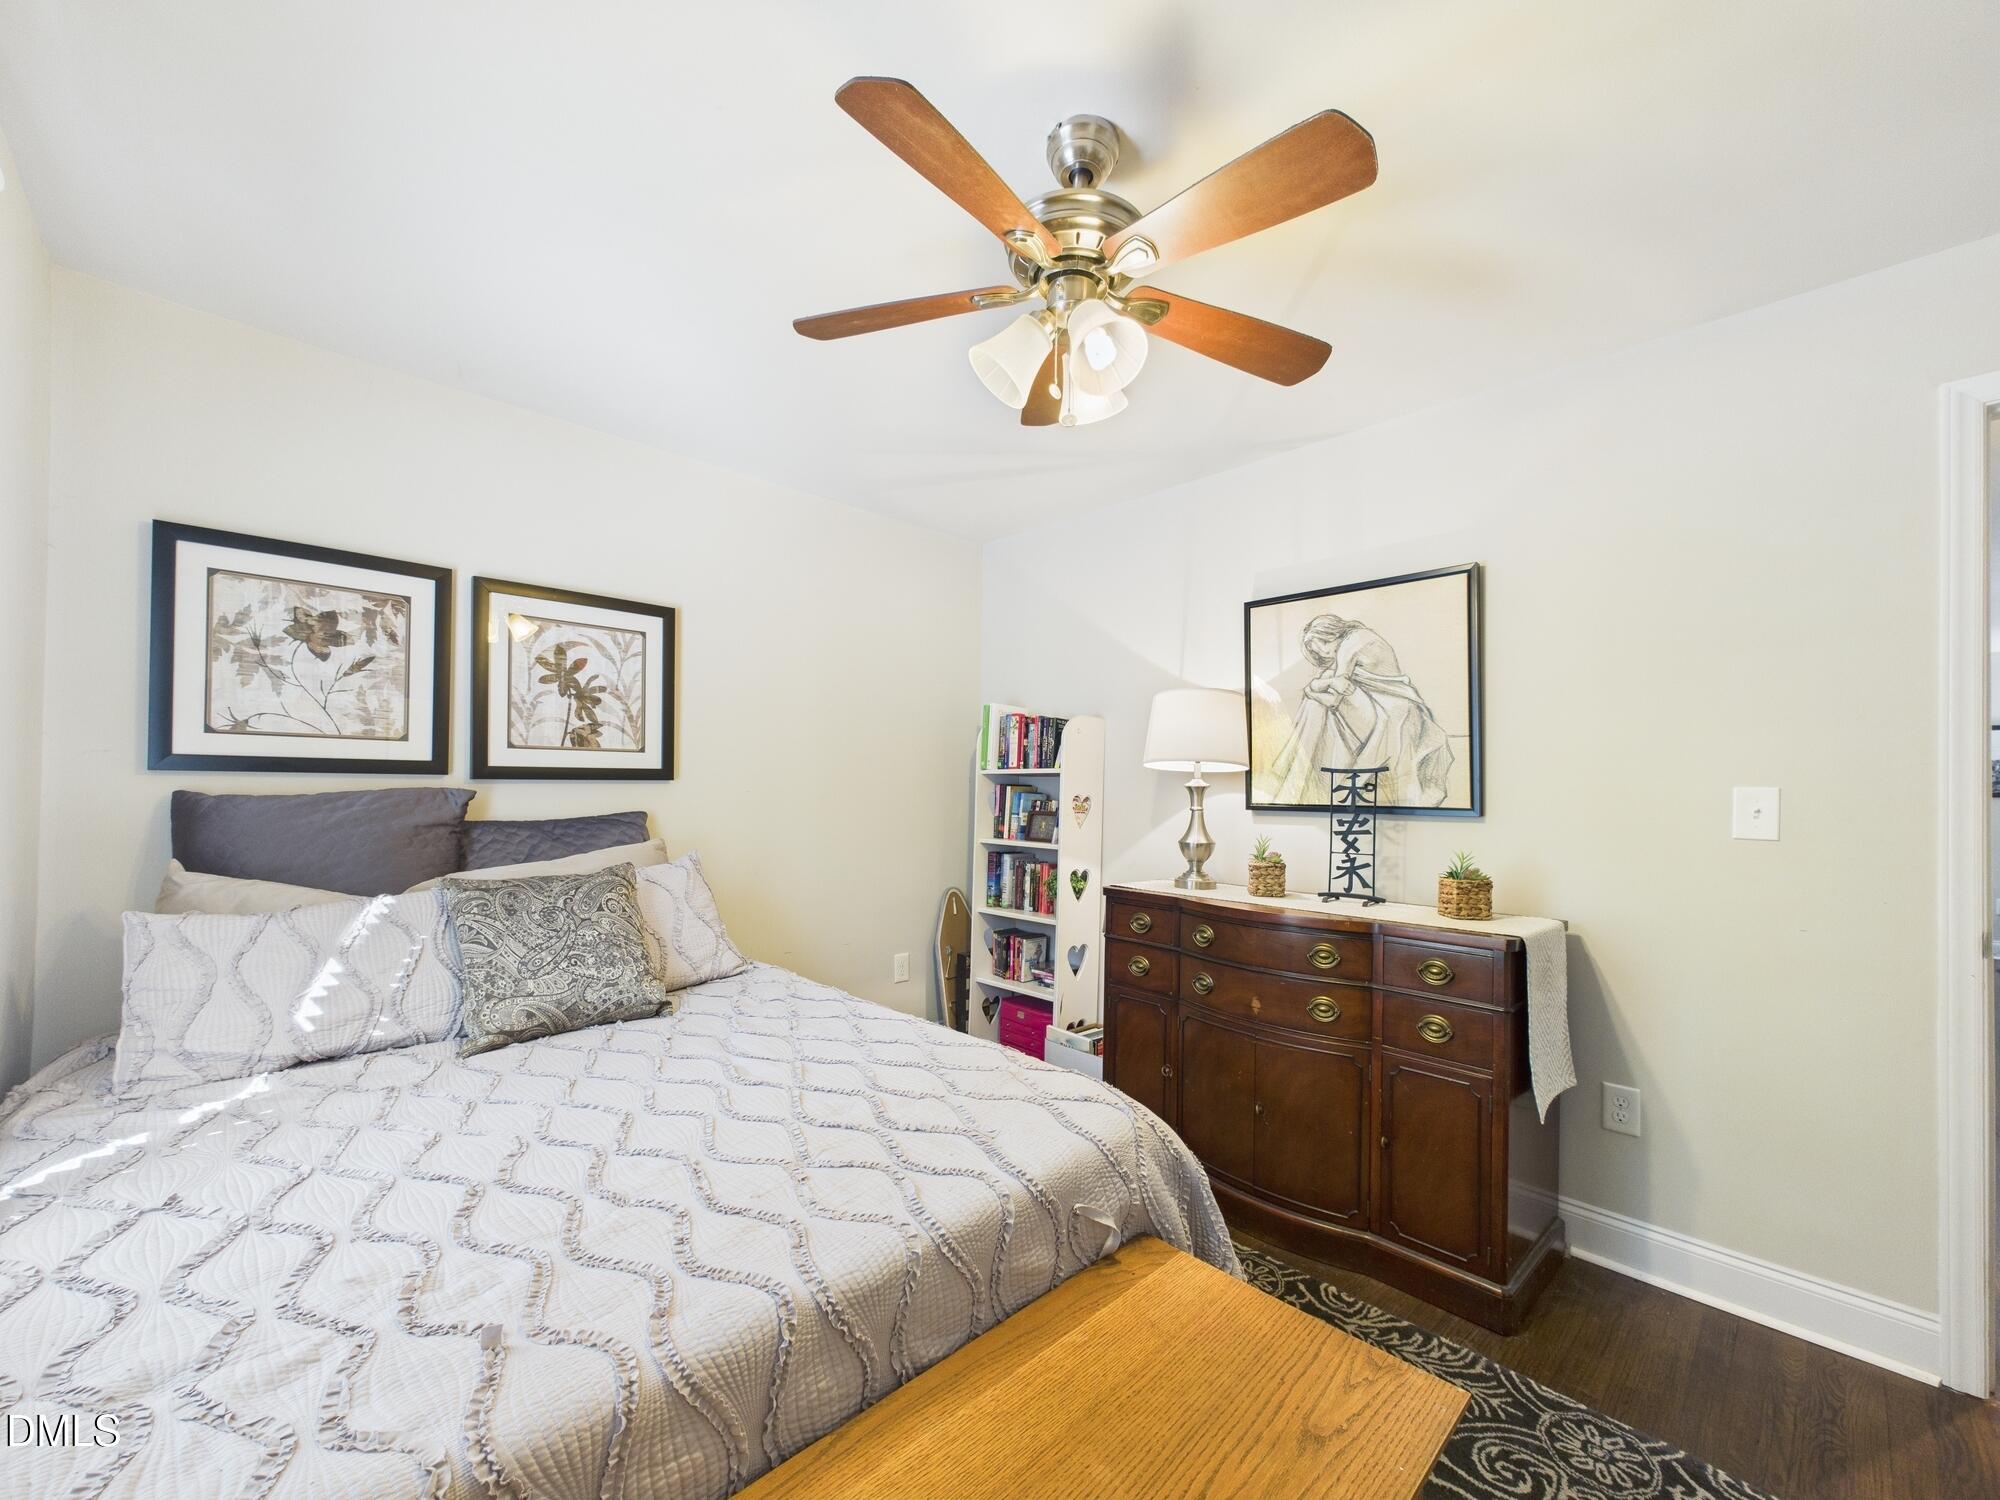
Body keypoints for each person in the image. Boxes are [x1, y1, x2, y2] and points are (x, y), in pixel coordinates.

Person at [1266, 612, 1452, 806]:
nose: (1322, 654)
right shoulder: (1357, 638)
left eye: (1320, 647)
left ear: (1327, 634)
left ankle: (1297, 775)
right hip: (1389, 708)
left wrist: (1311, 689)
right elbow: (1336, 686)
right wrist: (1317, 686)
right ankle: (1300, 775)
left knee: (1316, 702)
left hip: (1391, 713)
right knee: (1318, 700)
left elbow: (1333, 697)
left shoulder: (1350, 645)